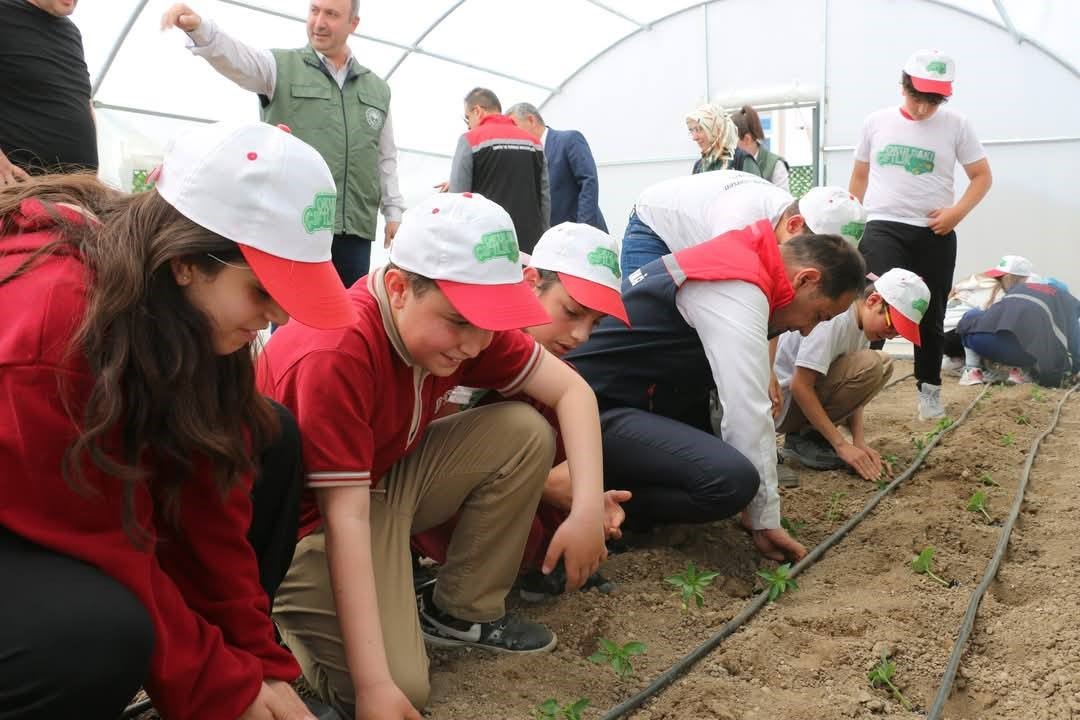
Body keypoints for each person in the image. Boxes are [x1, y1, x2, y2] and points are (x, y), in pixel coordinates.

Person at [0, 121, 355, 720]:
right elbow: (108, 545)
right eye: (260, 291)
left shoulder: (185, 310)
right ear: (189, 260)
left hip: (55, 498)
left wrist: (260, 665)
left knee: (266, 436)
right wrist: (224, 688)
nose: (270, 320)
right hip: (24, 505)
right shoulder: (53, 329)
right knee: (96, 636)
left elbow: (211, 500)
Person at [260, 193, 607, 718]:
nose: (474, 344)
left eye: (490, 323)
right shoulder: (338, 351)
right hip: (304, 525)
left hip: (378, 483)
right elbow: (343, 516)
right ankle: (289, 619)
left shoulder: (463, 325)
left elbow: (574, 392)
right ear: (398, 288)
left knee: (521, 430)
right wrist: (375, 684)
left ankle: (460, 610)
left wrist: (585, 510)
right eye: (460, 322)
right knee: (397, 688)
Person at [567, 221, 867, 562]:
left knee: (718, 457)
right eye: (818, 315)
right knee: (731, 481)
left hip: (622, 399)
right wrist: (764, 520)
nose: (807, 329)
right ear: (806, 279)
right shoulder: (737, 285)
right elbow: (746, 413)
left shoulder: (742, 257)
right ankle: (613, 507)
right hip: (585, 413)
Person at [411, 221, 631, 601]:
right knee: (533, 420)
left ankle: (542, 558)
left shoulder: (545, 367)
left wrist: (587, 502)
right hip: (412, 490)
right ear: (531, 282)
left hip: (478, 477)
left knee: (559, 409)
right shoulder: (474, 335)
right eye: (572, 312)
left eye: (595, 324)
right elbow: (427, 446)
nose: (582, 336)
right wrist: (547, 485)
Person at [162, 0, 406, 287]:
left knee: (349, 317)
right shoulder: (279, 68)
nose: (319, 22)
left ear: (353, 24)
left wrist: (393, 212)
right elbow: (237, 57)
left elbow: (384, 156)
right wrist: (202, 30)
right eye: (314, 10)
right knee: (292, 319)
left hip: (355, 230)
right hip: (294, 226)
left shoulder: (377, 90)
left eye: (331, 14)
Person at [849, 49, 992, 420]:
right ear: (903, 86)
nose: (923, 109)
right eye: (917, 98)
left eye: (933, 101)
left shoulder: (957, 125)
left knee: (928, 311)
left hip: (934, 231)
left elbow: (982, 176)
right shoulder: (875, 123)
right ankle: (850, 387)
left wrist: (956, 213)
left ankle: (929, 392)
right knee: (876, 301)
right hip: (882, 225)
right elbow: (860, 177)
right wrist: (852, 226)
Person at [775, 269, 930, 480]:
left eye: (899, 332)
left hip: (795, 403)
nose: (892, 336)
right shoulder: (836, 318)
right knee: (874, 363)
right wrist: (841, 445)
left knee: (882, 363)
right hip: (781, 405)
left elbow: (855, 392)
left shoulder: (860, 326)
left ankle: (811, 437)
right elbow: (800, 386)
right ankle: (804, 439)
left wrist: (859, 442)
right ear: (873, 301)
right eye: (892, 325)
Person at [621, 171, 866, 280]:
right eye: (815, 255)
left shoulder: (781, 222)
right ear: (795, 224)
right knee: (644, 318)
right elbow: (718, 297)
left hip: (701, 226)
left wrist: (768, 372)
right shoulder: (739, 222)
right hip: (653, 227)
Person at [0, 0, 97, 181]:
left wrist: (91, 173)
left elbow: (83, 100)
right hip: (20, 187)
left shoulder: (71, 32)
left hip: (76, 188)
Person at [448, 88, 550, 253]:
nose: (468, 126)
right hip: (529, 243)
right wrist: (543, 237)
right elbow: (544, 197)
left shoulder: (470, 139)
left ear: (478, 111)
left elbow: (458, 200)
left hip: (487, 244)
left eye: (467, 118)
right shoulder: (534, 143)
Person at [956, 278, 1080, 388]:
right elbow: (1075, 343)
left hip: (981, 342)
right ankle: (1020, 372)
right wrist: (1074, 370)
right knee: (1035, 339)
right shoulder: (1065, 300)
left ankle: (972, 370)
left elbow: (993, 317)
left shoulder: (1019, 288)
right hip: (1025, 355)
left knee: (972, 315)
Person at [507, 102, 608, 232]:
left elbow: (588, 181)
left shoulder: (568, 139)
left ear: (531, 120)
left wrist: (584, 229)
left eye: (515, 126)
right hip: (551, 239)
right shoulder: (526, 156)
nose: (513, 133)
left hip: (582, 232)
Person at [944, 254, 1033, 384]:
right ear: (1014, 278)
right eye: (1024, 281)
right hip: (958, 334)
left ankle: (954, 362)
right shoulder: (998, 292)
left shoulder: (975, 281)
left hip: (941, 336)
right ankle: (979, 369)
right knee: (988, 331)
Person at [730, 105, 790, 192]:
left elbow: (784, 202)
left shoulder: (775, 165)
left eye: (731, 140)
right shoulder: (730, 163)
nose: (728, 145)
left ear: (747, 139)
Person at [686, 102, 742, 175]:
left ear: (716, 128)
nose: (694, 137)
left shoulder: (740, 160)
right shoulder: (699, 166)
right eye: (692, 131)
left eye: (699, 129)